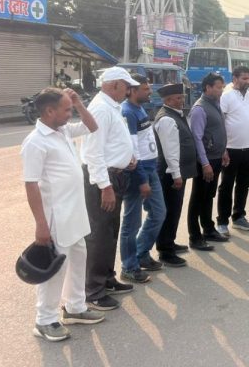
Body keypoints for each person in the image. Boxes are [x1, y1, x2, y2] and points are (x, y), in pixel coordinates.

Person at [23, 88, 104, 341]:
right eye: (66, 109)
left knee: (79, 258)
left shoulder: (63, 131)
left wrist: (78, 103)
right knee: (55, 268)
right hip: (56, 217)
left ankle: (75, 307)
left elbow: (93, 126)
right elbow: (31, 184)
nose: (70, 114)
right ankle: (44, 320)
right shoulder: (36, 142)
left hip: (75, 213)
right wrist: (41, 225)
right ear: (49, 111)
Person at [81, 67, 138, 311]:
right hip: (104, 180)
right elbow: (93, 151)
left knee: (111, 232)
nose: (129, 90)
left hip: (116, 176)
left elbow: (115, 142)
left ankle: (106, 278)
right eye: (126, 86)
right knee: (99, 235)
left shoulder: (111, 106)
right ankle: (93, 291)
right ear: (114, 85)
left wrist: (128, 158)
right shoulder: (101, 109)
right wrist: (104, 186)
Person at [120, 75, 165, 284]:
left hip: (150, 170)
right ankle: (129, 266)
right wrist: (142, 180)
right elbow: (132, 150)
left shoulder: (139, 109)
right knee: (132, 223)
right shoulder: (127, 112)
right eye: (145, 89)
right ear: (131, 90)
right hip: (138, 174)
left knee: (158, 213)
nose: (149, 92)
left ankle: (141, 254)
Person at [218, 66, 249, 232]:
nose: (247, 81)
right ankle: (222, 222)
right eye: (244, 78)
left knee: (243, 185)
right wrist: (223, 148)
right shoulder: (226, 97)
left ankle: (238, 217)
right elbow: (221, 123)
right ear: (235, 78)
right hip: (231, 149)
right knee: (226, 186)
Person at [154, 83, 199, 266]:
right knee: (170, 210)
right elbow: (170, 151)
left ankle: (169, 242)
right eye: (178, 98)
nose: (182, 101)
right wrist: (176, 174)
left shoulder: (175, 115)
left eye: (182, 97)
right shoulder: (167, 119)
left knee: (175, 209)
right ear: (168, 100)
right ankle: (165, 251)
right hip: (171, 174)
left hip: (176, 172)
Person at [188, 73, 230, 247]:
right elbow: (197, 138)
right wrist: (205, 163)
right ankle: (195, 236)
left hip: (216, 158)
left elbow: (218, 131)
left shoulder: (216, 104)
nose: (221, 90)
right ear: (208, 88)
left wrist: (224, 151)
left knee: (209, 196)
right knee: (198, 197)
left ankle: (208, 229)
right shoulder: (200, 108)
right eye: (218, 87)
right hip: (205, 162)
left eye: (222, 87)